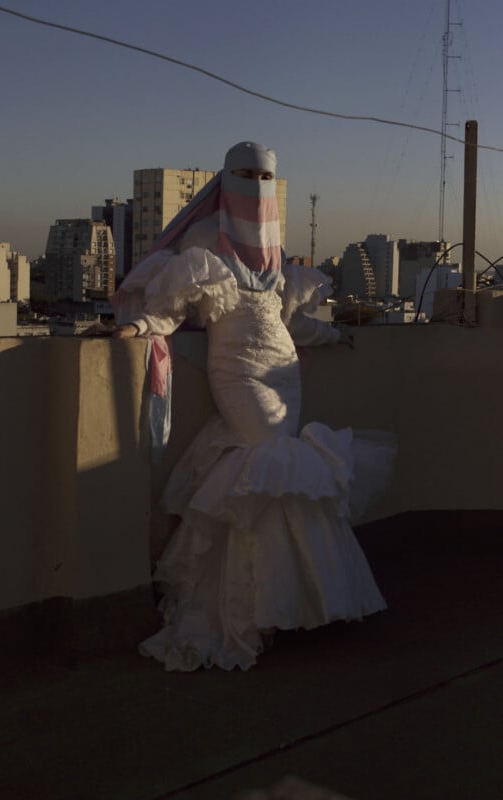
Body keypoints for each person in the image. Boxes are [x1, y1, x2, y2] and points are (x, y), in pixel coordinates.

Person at [113, 141, 395, 671]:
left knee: (283, 471)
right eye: (244, 174)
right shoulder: (203, 239)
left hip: (283, 372)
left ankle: (295, 603)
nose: (255, 185)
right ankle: (245, 609)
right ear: (225, 179)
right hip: (237, 370)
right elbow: (174, 309)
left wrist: (331, 334)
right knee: (266, 462)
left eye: (264, 176)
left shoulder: (273, 248)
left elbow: (285, 320)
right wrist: (144, 325)